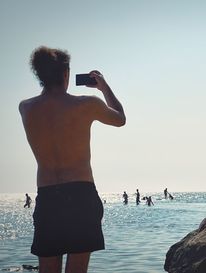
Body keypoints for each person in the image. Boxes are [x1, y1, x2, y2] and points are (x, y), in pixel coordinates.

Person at [19, 46, 126, 273]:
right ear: (66, 74)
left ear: (39, 75)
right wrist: (104, 87)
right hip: (81, 195)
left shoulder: (26, 108)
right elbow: (120, 119)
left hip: (48, 197)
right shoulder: (87, 104)